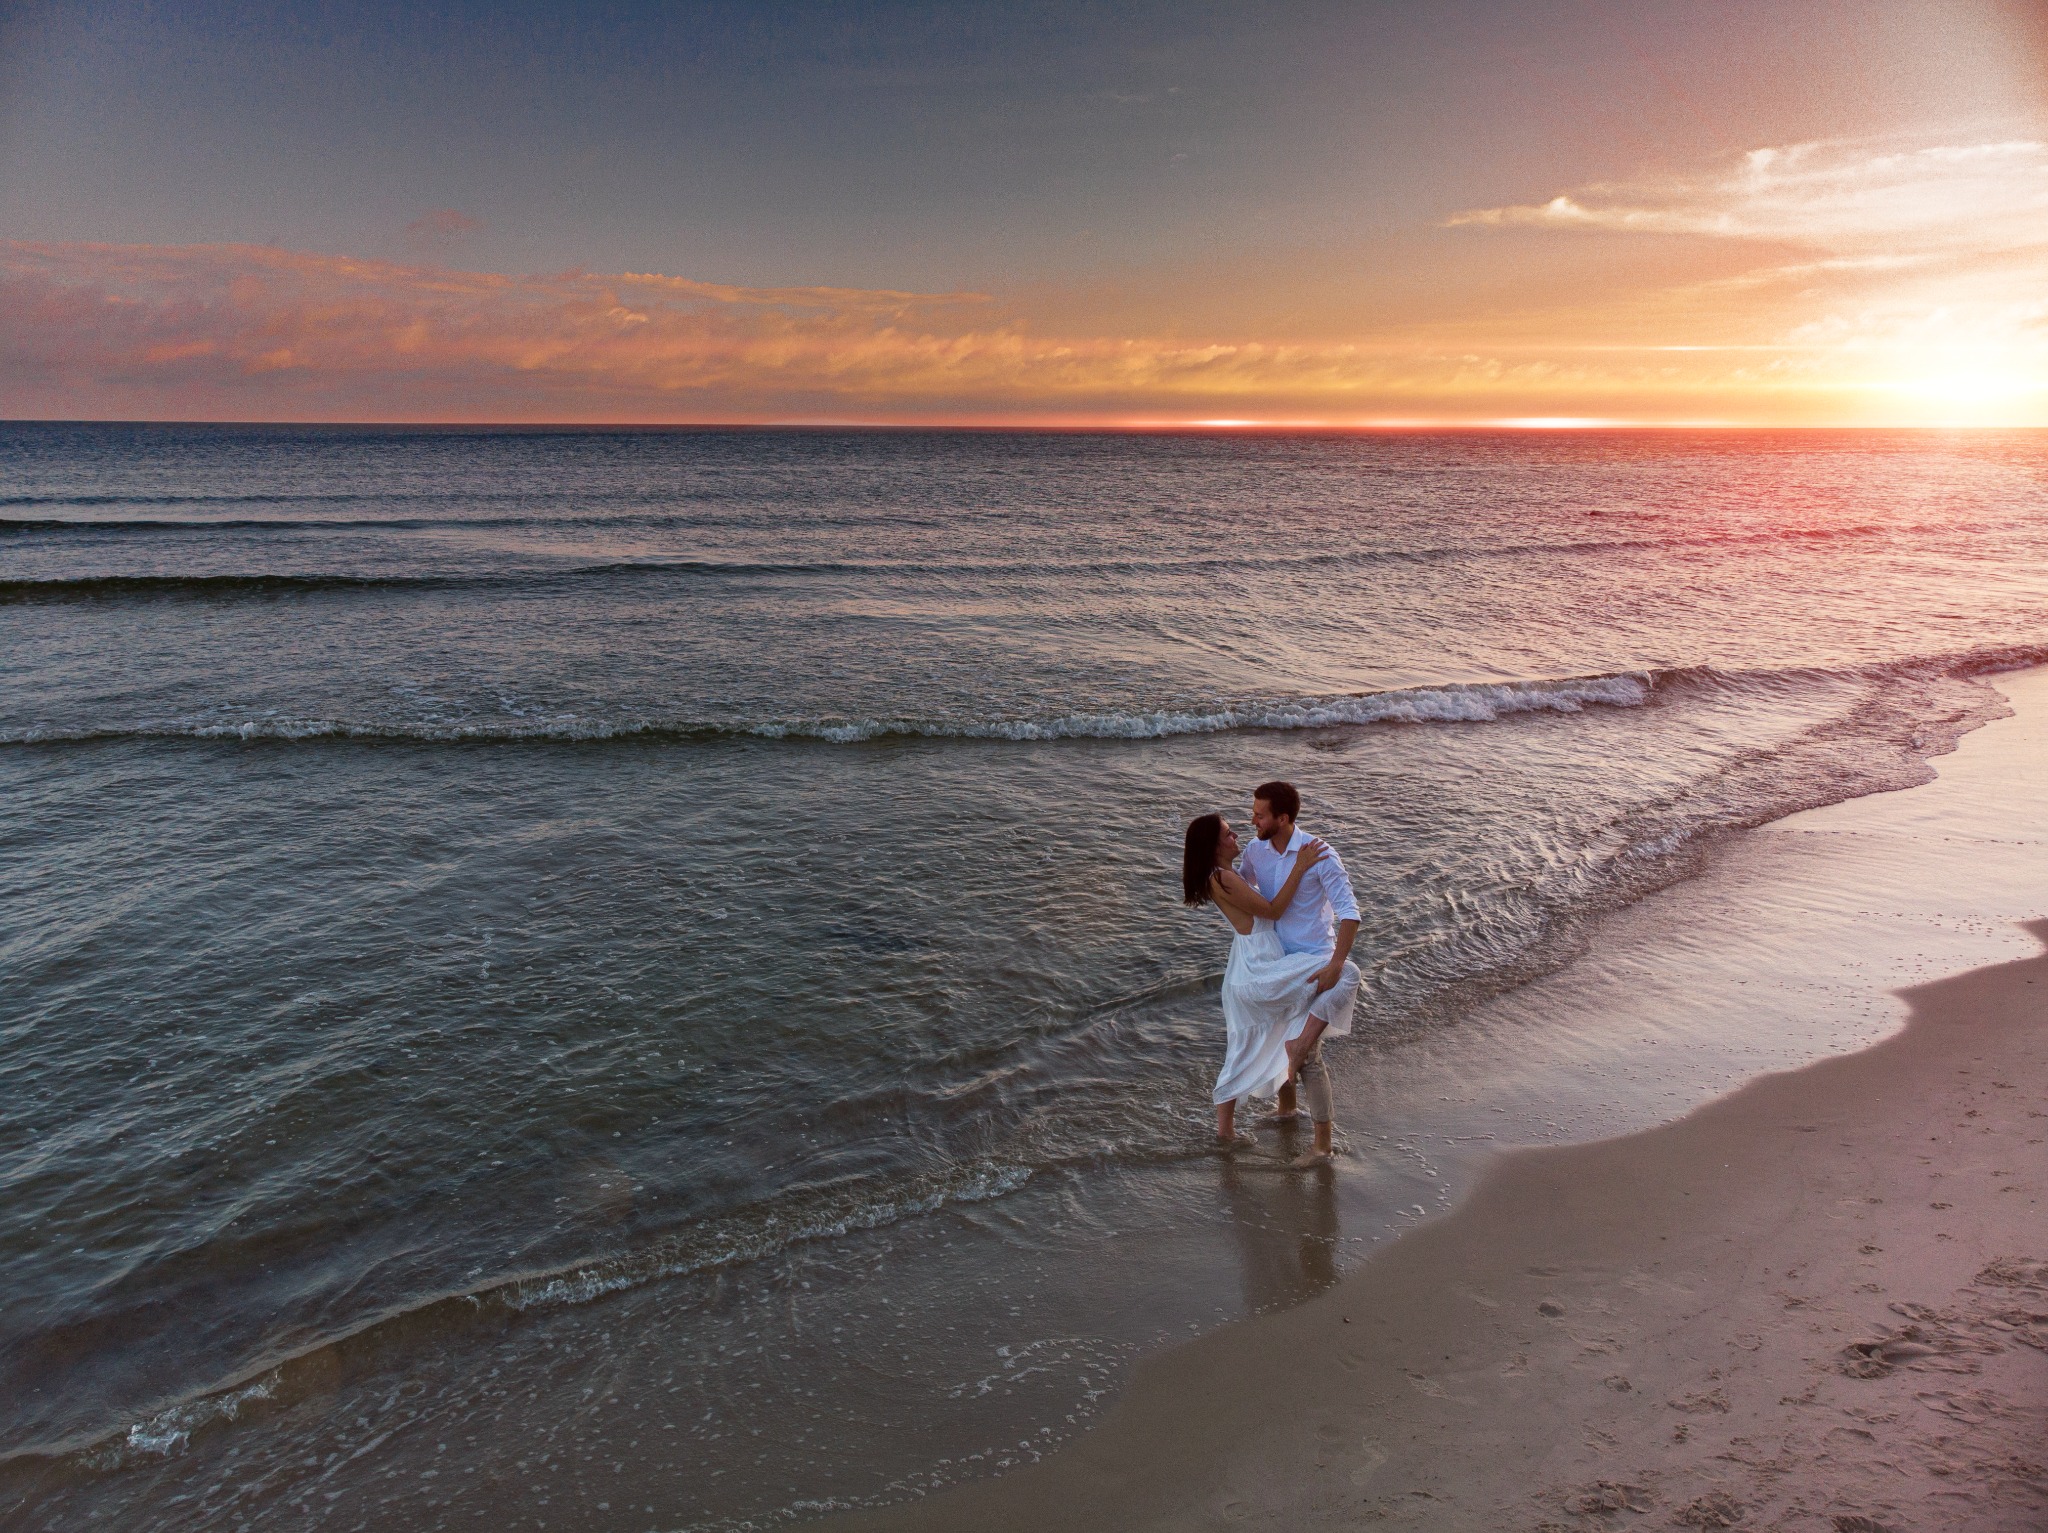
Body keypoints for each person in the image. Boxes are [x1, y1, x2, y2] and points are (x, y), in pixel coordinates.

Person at [1181, 812, 1332, 1151]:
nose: (1236, 834)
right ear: (1214, 845)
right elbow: (1273, 910)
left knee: (1278, 1030)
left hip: (1258, 958)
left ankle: (1286, 1108)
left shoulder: (1228, 875)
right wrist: (1301, 864)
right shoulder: (1222, 878)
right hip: (1257, 964)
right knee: (1334, 970)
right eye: (1227, 833)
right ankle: (1225, 1133)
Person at [1237, 780, 1360, 1168]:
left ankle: (1322, 1147)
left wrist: (1335, 964)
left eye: (1259, 814)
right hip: (1276, 962)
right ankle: (1286, 1110)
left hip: (1313, 961)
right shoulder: (1256, 851)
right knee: (1278, 1037)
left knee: (1306, 1055)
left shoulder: (1320, 854)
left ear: (1283, 818)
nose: (1252, 819)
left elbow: (1350, 913)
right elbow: (1243, 888)